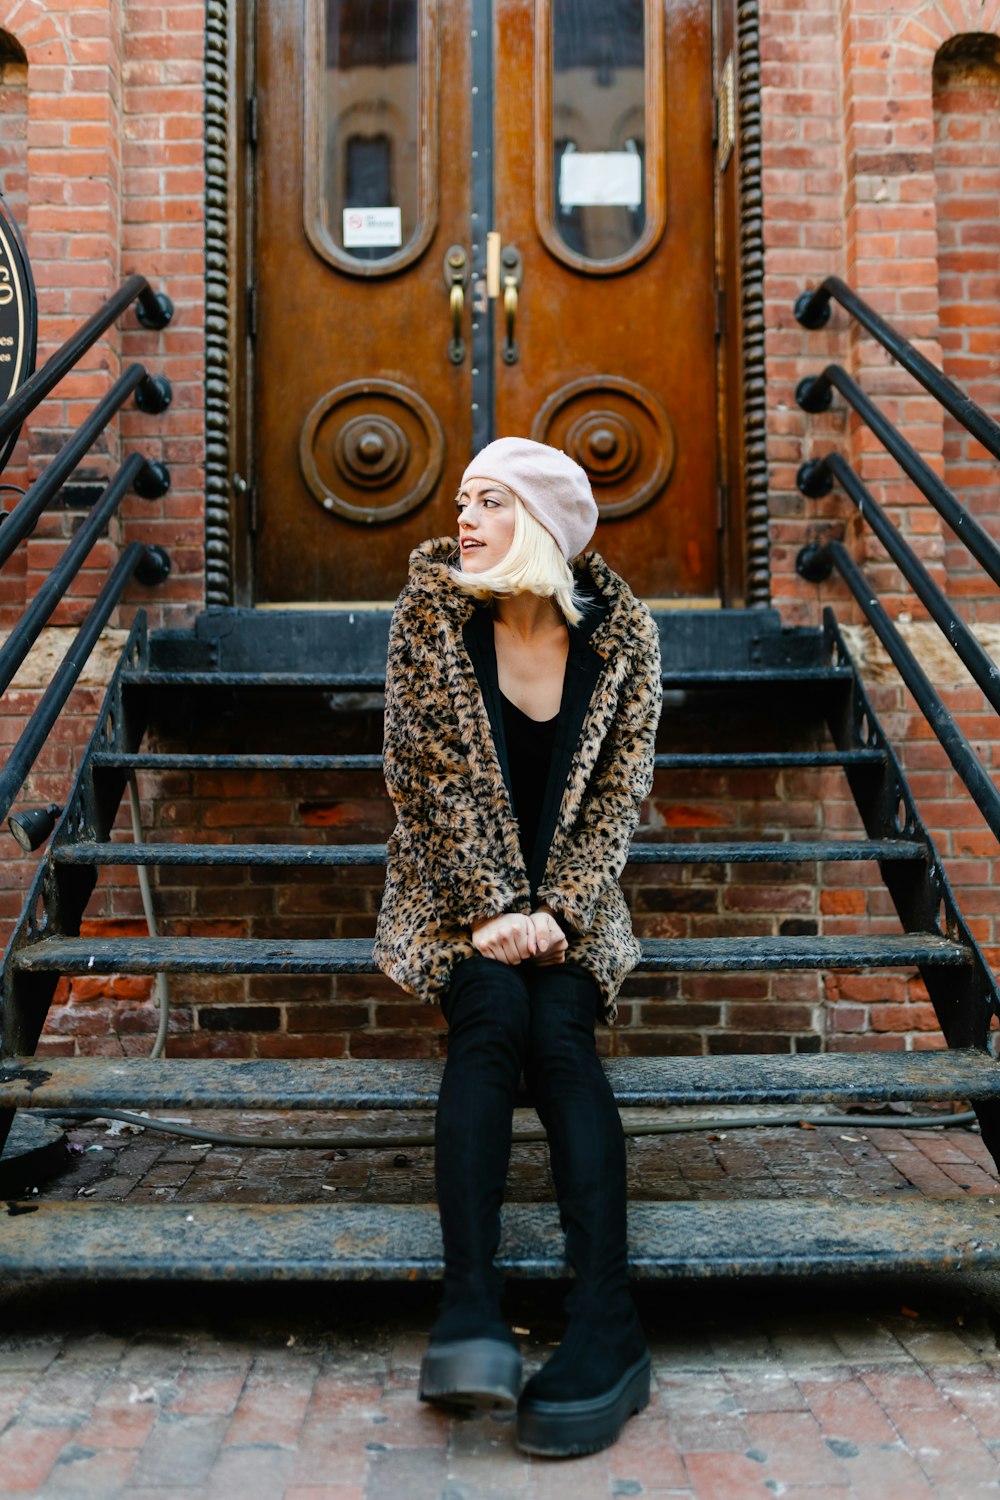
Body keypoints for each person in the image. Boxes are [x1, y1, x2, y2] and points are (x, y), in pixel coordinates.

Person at [373, 437, 662, 1458]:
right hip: (454, 900)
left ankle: (605, 1326)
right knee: (491, 1014)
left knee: (563, 1037)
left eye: (488, 503)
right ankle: (471, 1310)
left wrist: (565, 911)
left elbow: (618, 798)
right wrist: (490, 907)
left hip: (575, 910)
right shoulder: (431, 623)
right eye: (461, 500)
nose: (463, 520)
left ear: (537, 525)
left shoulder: (623, 641)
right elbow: (423, 781)